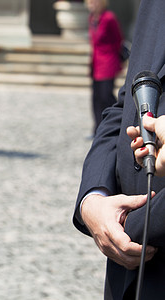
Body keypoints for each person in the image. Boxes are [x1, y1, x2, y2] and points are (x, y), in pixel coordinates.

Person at [73, 1, 165, 299]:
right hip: (124, 274)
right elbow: (124, 105)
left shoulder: (110, 18)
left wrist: (130, 224)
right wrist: (93, 199)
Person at [85, 0, 123, 135]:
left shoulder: (109, 18)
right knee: (96, 98)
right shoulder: (92, 19)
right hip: (96, 64)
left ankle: (117, 121)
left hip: (108, 63)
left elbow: (118, 39)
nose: (91, 4)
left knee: (106, 96)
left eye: (94, 2)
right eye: (89, 2)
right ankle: (97, 128)